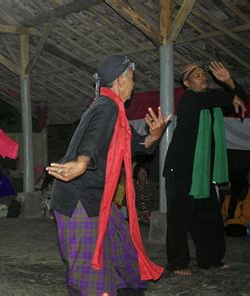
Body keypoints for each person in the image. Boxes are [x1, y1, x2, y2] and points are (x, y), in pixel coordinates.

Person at [46, 55, 169, 295]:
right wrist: (82, 161)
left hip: (98, 196)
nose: (134, 85)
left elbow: (136, 144)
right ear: (120, 81)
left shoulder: (116, 111)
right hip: (79, 198)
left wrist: (155, 134)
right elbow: (93, 135)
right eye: (132, 79)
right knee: (89, 268)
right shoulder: (106, 107)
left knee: (122, 247)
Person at [163, 61, 248, 275]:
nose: (203, 77)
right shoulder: (188, 100)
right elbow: (214, 98)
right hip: (181, 171)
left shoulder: (211, 104)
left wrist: (228, 81)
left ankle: (210, 259)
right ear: (186, 82)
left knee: (209, 219)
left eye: (204, 74)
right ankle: (178, 263)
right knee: (179, 220)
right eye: (197, 75)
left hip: (203, 173)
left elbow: (241, 100)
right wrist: (229, 95)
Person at [221, 171, 250, 237]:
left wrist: (227, 222)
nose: (228, 185)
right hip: (230, 223)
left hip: (244, 225)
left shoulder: (247, 196)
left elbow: (246, 219)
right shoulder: (229, 195)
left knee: (233, 230)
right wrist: (221, 222)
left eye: (230, 182)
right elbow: (223, 213)